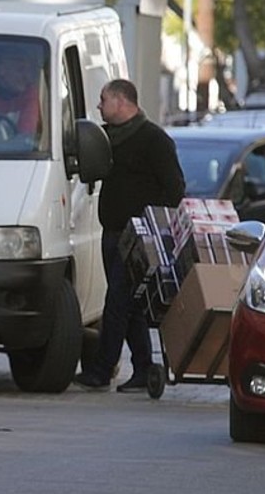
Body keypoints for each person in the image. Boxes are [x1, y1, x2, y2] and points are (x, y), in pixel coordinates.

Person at [75, 79, 185, 393]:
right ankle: (143, 368)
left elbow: (175, 188)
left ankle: (102, 368)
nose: (99, 106)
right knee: (131, 304)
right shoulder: (107, 138)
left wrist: (149, 226)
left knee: (117, 301)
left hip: (136, 236)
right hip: (111, 232)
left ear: (123, 101)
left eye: (103, 99)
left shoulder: (154, 139)